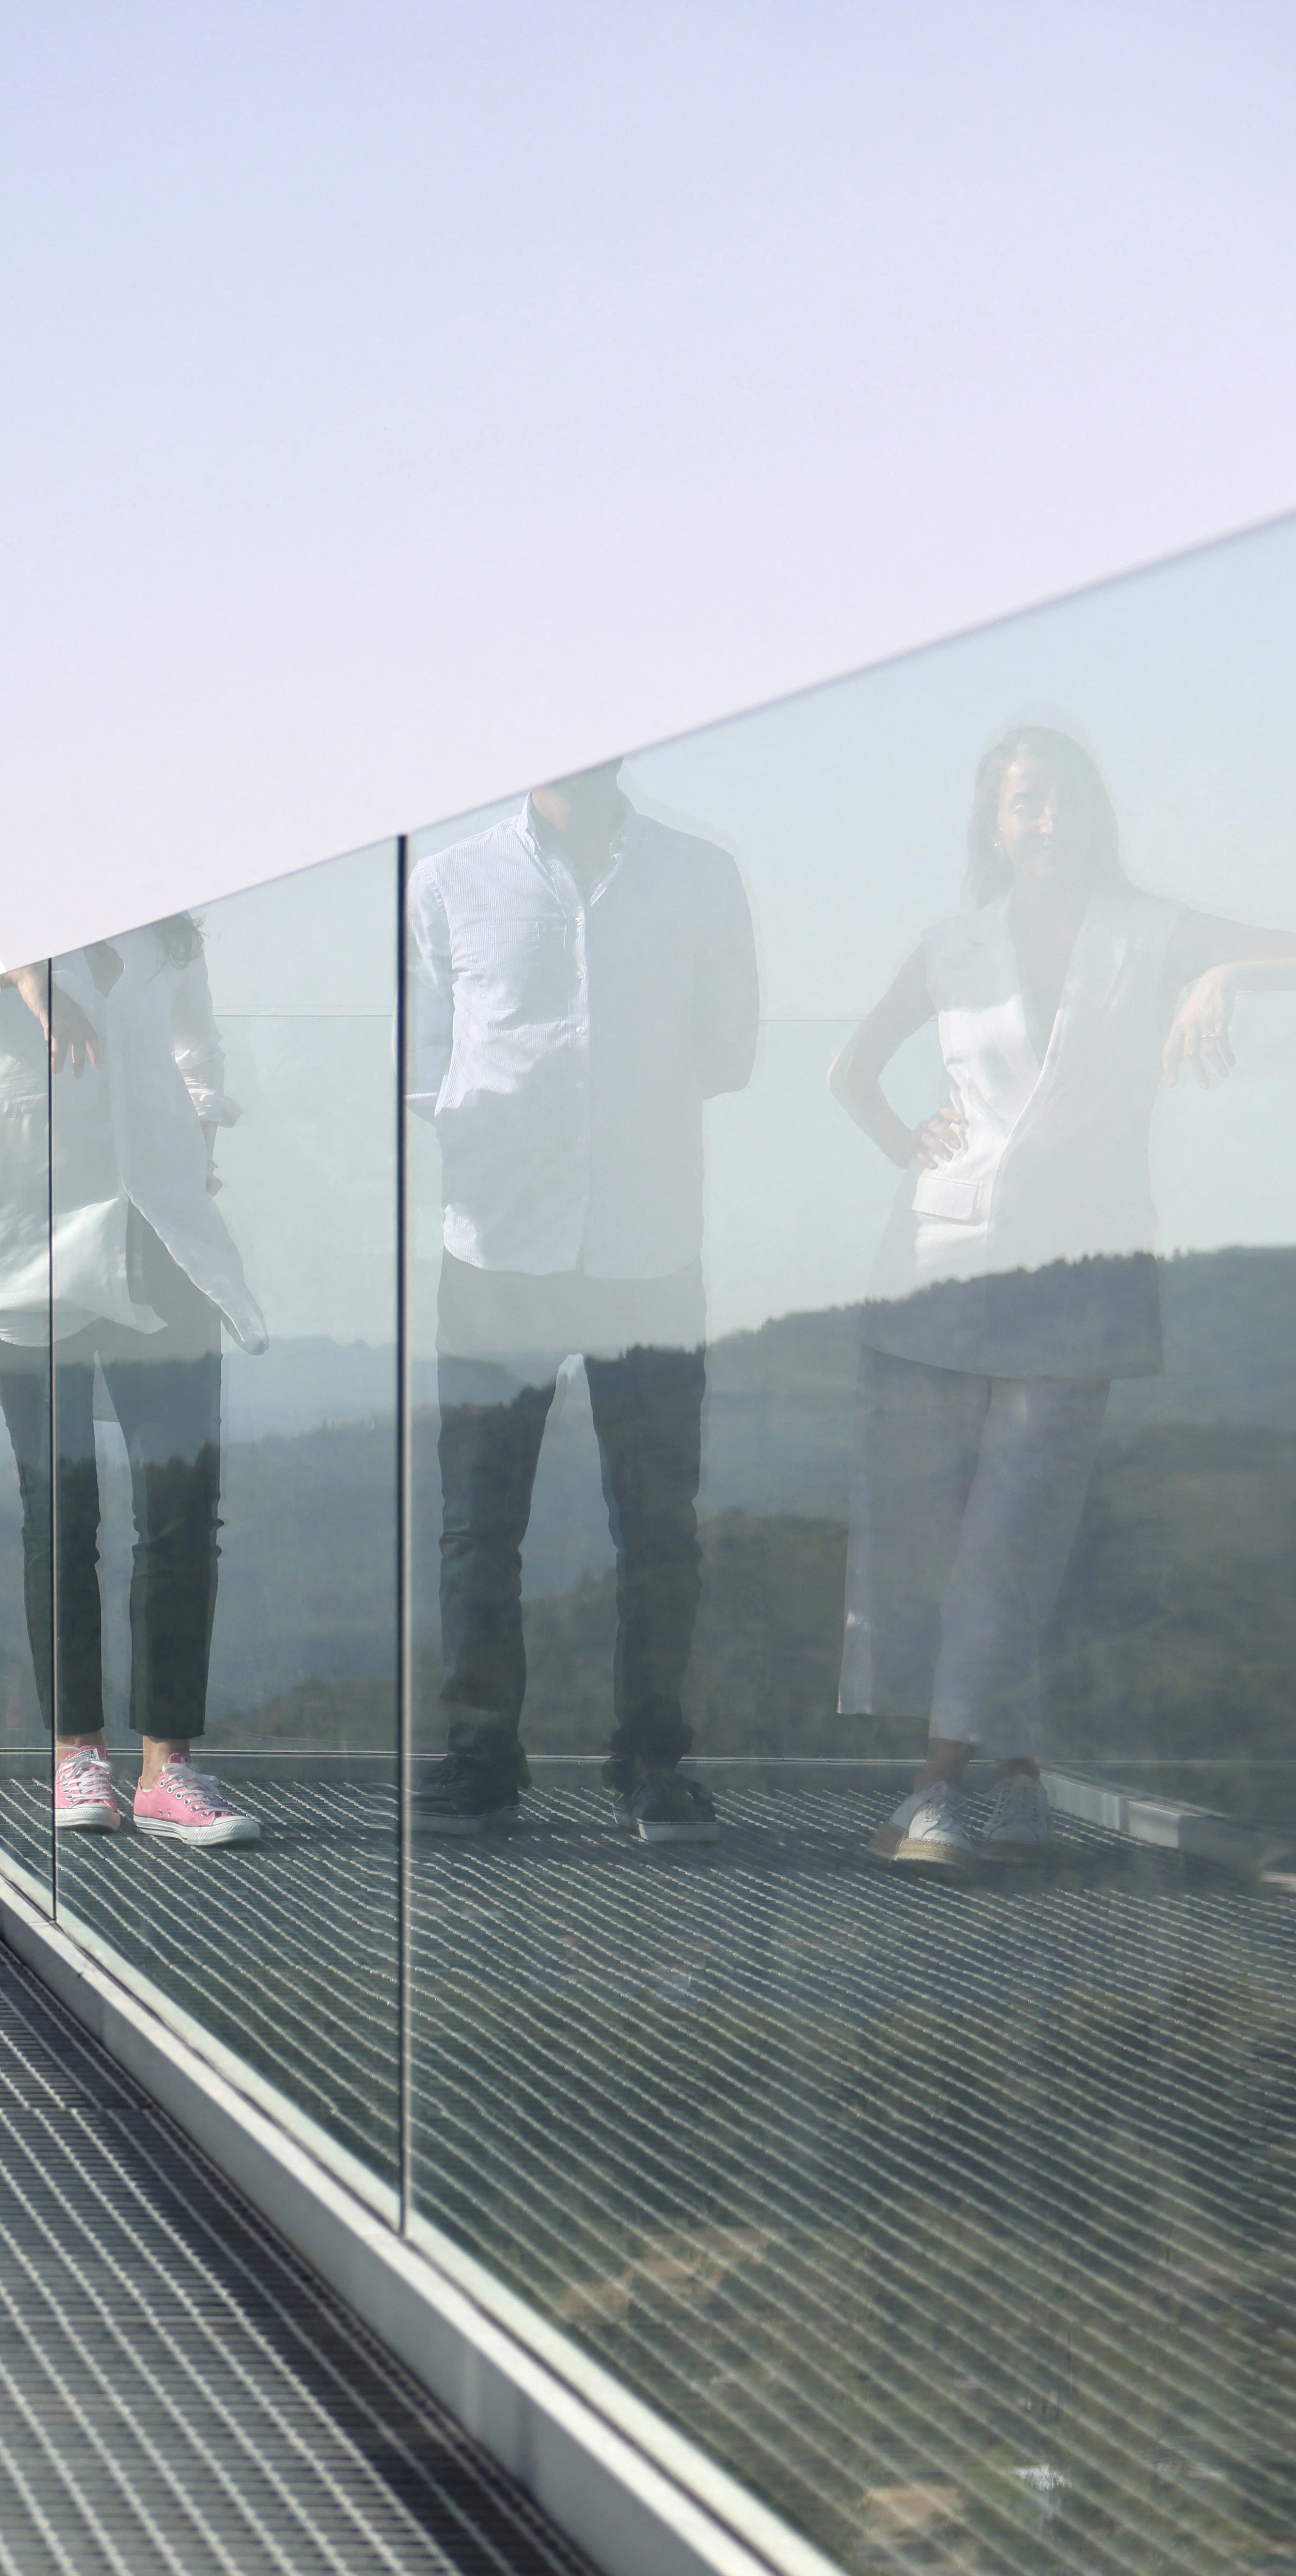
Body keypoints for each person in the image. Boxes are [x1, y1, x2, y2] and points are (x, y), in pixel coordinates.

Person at [829, 726, 1296, 1870]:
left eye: (1069, 801)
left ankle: (932, 1791)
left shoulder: (1150, 934)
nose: (1052, 822)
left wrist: (1224, 974)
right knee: (947, 1532)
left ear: (1098, 814)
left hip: (1080, 1274)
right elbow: (847, 1070)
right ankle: (1011, 1773)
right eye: (1027, 804)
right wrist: (911, 1140)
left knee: (1017, 1529)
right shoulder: (952, 943)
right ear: (992, 825)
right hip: (937, 1266)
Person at [406, 761, 757, 1840]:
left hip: (645, 1245)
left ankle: (651, 1761)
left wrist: (624, 1122)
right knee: (476, 1525)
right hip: (495, 1245)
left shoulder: (698, 875)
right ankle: (479, 1759)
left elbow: (729, 1048)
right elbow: (423, 1057)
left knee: (657, 1524)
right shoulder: (449, 878)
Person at [0, 918, 266, 1846]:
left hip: (160, 1236)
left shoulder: (172, 937)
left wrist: (192, 1146)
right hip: (26, 1243)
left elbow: (197, 1051)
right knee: (61, 1506)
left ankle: (171, 1766)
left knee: (180, 1507)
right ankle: (75, 1753)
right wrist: (36, 974)